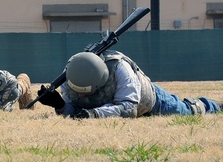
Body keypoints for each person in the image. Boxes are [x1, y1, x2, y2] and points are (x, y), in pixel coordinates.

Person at [35, 51, 220, 118]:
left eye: (85, 93)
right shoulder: (71, 74)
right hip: (108, 106)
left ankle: (212, 105)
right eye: (78, 93)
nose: (81, 97)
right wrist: (60, 105)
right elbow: (75, 113)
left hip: (149, 101)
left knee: (185, 111)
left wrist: (94, 114)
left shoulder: (120, 69)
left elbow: (128, 108)